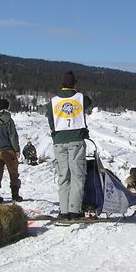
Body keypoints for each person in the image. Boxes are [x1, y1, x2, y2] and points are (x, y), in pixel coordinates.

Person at [46, 71, 92, 221]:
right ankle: (75, 210)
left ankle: (64, 211)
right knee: (77, 175)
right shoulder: (80, 98)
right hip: (76, 141)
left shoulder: (53, 101)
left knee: (63, 176)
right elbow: (89, 102)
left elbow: (50, 120)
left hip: (59, 141)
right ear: (75, 83)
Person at [0, 98, 23, 203]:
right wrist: (16, 149)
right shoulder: (9, 120)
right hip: (8, 150)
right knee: (13, 173)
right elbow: (13, 135)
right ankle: (15, 195)